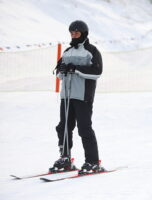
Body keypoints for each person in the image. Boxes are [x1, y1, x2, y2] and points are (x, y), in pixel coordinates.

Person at [49, 20, 104, 175]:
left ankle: (93, 162)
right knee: (64, 127)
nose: (74, 35)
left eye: (76, 33)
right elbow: (59, 74)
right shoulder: (67, 51)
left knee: (84, 128)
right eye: (72, 33)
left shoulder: (92, 51)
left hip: (83, 95)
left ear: (84, 34)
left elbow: (97, 72)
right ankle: (65, 158)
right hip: (66, 96)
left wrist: (76, 68)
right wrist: (62, 69)